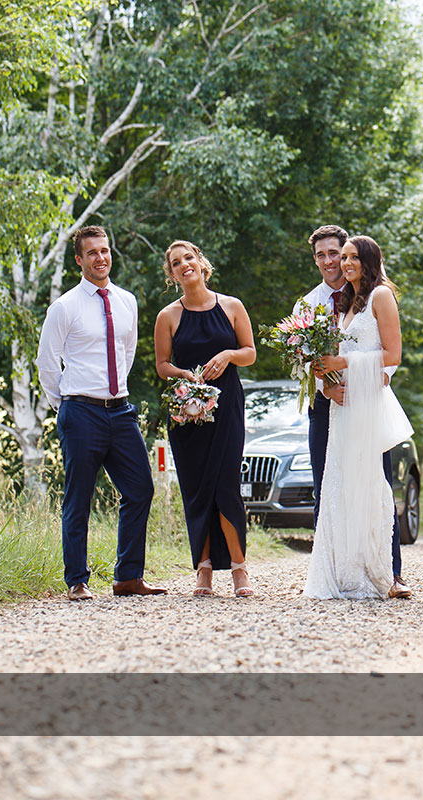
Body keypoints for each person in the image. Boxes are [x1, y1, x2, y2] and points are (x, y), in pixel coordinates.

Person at [35, 225, 166, 601]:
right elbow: (47, 363)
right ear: (79, 259)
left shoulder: (126, 300)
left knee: (140, 489)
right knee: (79, 497)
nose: (100, 258)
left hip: (120, 411)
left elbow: (126, 352)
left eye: (105, 251)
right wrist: (67, 406)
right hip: (80, 412)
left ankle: (128, 577)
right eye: (92, 252)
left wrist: (113, 393)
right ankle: (77, 580)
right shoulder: (65, 307)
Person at [297, 225, 409, 599]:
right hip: (331, 404)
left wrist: (369, 377)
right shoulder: (314, 304)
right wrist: (326, 384)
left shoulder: (375, 296)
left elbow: (389, 353)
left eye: (343, 254)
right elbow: (304, 364)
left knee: (375, 482)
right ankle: (339, 568)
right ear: (316, 260)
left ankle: (388, 573)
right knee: (333, 485)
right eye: (328, 256)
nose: (336, 262)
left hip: (366, 401)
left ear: (365, 259)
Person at [154, 240, 257, 597]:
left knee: (226, 485)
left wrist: (228, 354)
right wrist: (185, 376)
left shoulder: (231, 306)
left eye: (189, 258)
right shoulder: (167, 316)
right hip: (188, 413)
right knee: (196, 490)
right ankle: (204, 569)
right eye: (176, 263)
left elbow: (250, 353)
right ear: (172, 274)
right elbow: (162, 365)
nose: (185, 265)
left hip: (227, 409)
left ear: (201, 262)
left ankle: (240, 569)